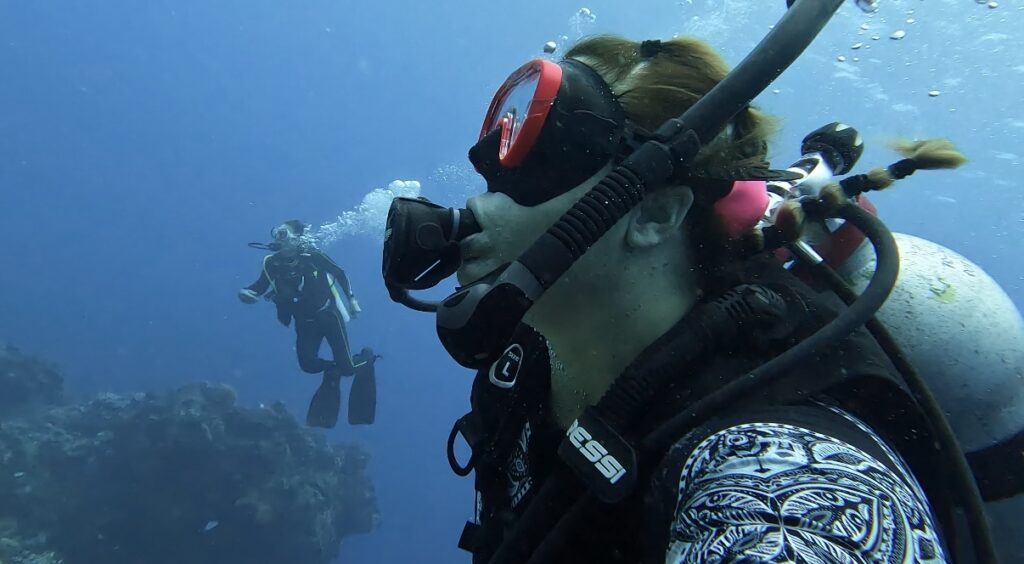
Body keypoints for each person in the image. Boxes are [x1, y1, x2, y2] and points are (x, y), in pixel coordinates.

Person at [394, 33, 1006, 562]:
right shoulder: (521, 368)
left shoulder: (775, 470)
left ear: (655, 213)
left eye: (537, 169)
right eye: (493, 170)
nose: (480, 201)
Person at [239, 220, 377, 428]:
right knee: (308, 365)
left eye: (283, 234)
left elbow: (339, 273)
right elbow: (260, 286)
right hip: (304, 323)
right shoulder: (271, 263)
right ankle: (332, 371)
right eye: (276, 232)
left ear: (297, 237)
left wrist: (352, 300)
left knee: (348, 369)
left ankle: (365, 359)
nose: (277, 238)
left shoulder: (313, 257)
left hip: (329, 317)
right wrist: (246, 293)